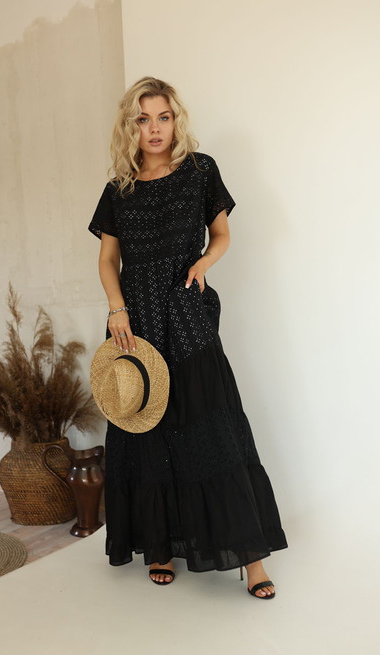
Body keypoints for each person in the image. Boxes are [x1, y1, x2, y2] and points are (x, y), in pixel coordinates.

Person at [88, 76, 288, 599]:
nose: (154, 129)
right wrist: (116, 307)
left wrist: (203, 263)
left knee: (213, 427)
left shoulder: (201, 170)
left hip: (185, 311)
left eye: (163, 117)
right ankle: (157, 545)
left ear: (176, 121)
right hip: (134, 319)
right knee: (144, 429)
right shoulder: (118, 189)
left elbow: (221, 234)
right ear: (130, 126)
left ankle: (250, 558)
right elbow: (107, 259)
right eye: (143, 119)